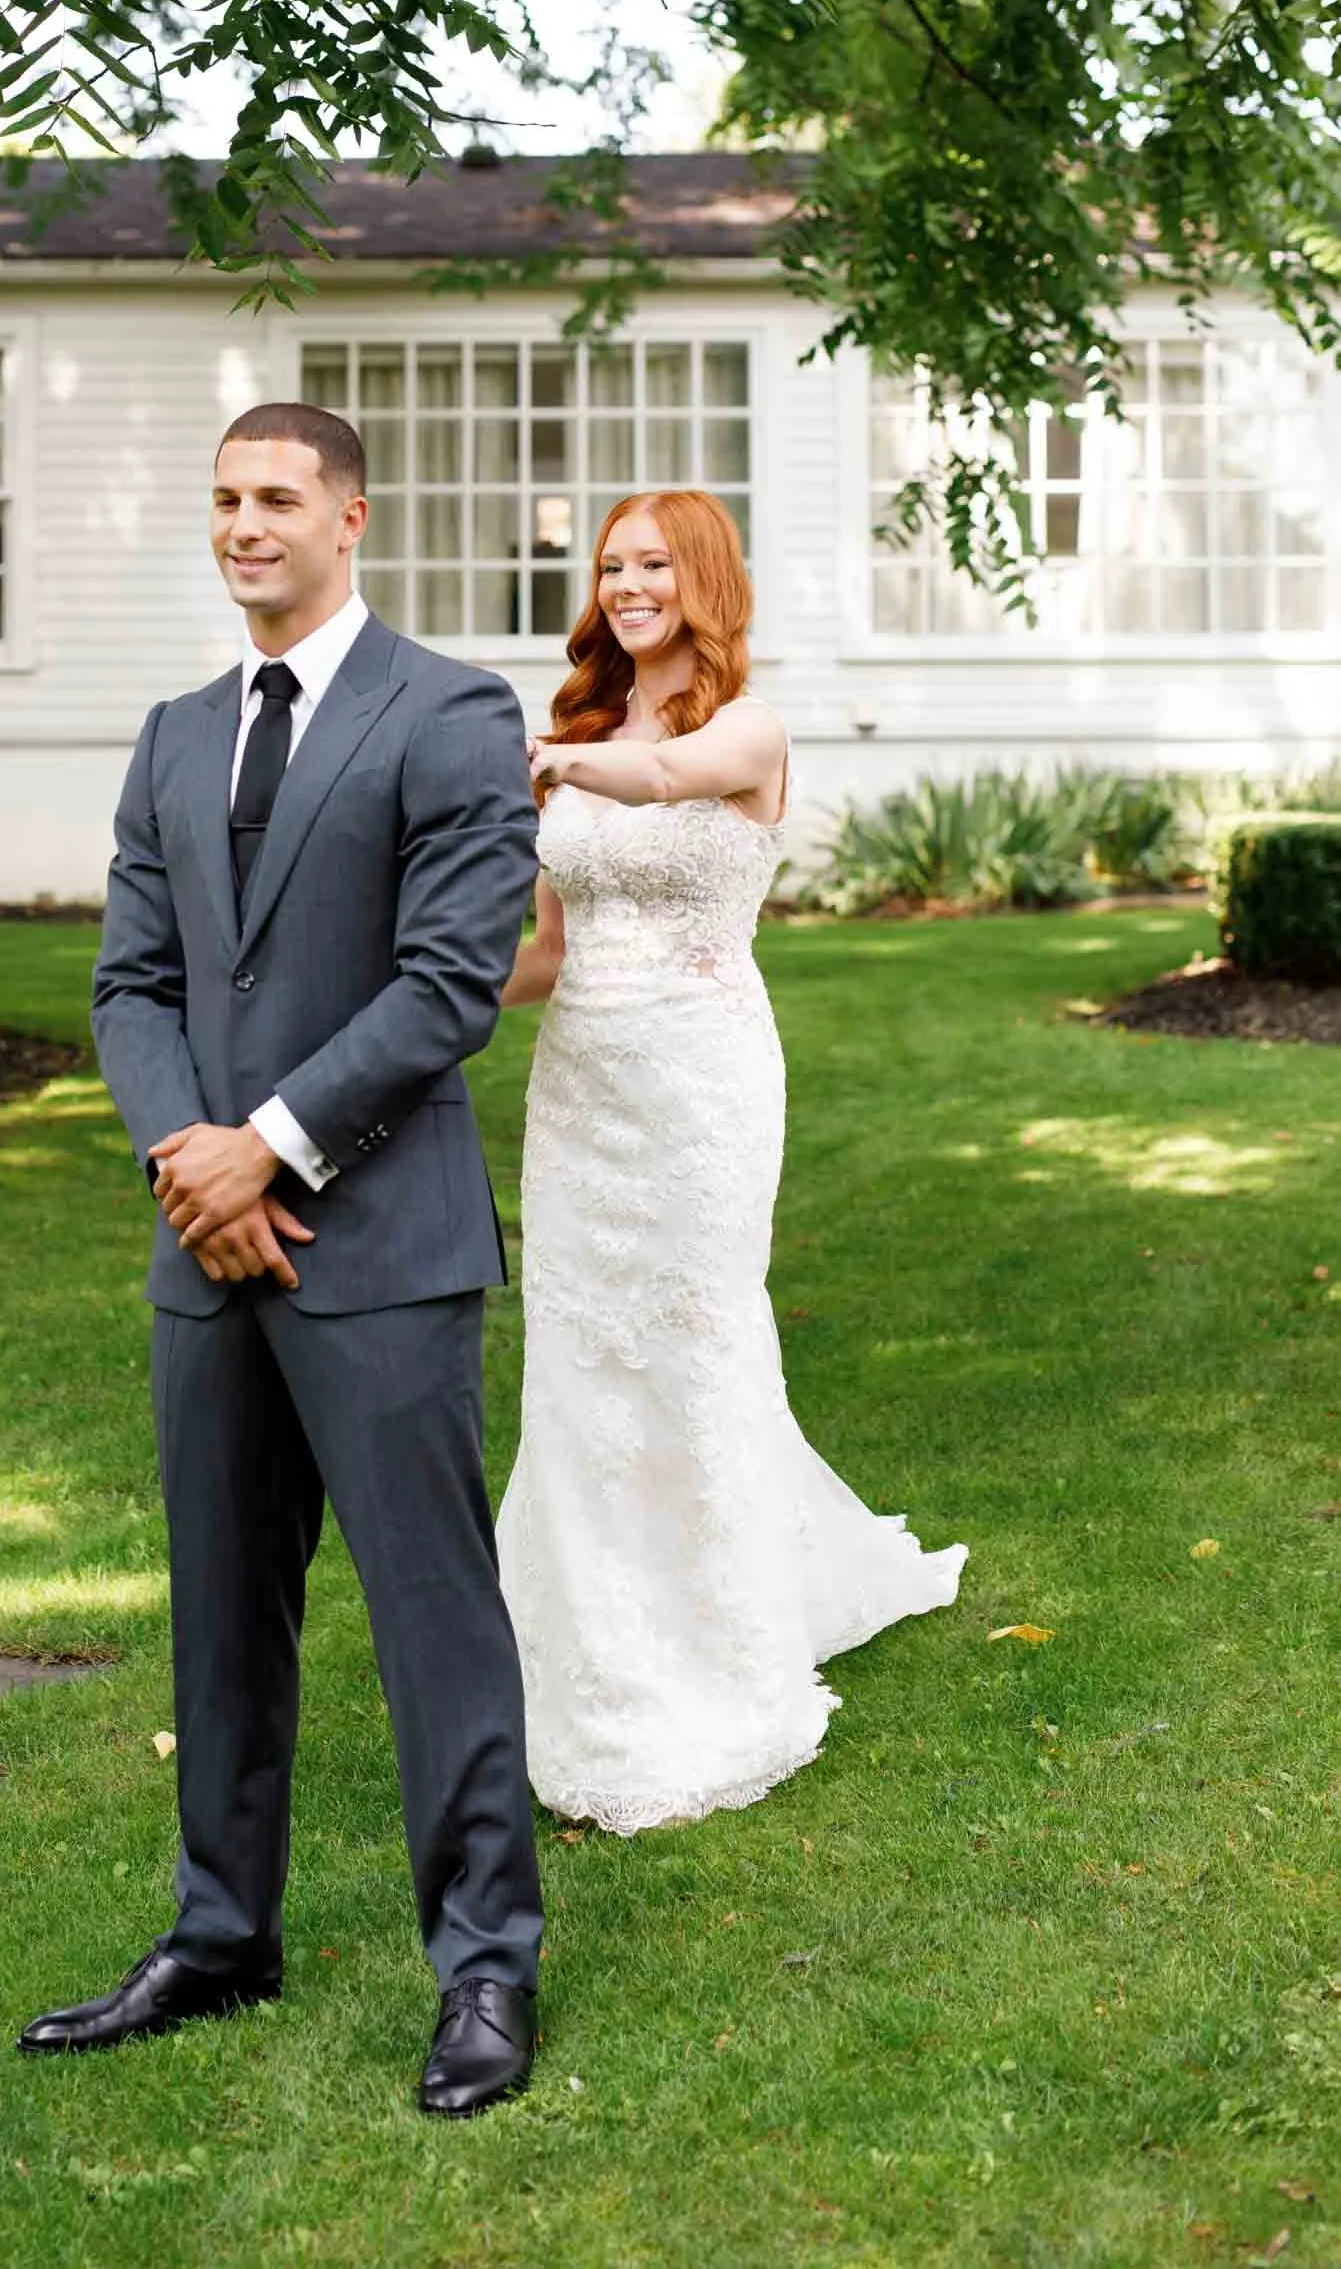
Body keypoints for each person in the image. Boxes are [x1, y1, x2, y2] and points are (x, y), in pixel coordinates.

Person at [18, 404, 544, 2118]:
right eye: (224, 499)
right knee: (224, 1610)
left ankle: (486, 1965)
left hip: (379, 1244)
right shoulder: (175, 735)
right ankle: (221, 1934)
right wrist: (194, 1160)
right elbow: (132, 984)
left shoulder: (450, 712)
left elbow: (450, 982)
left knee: (432, 1616)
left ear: (350, 517)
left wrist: (277, 1146)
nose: (244, 525)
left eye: (276, 498)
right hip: (207, 1248)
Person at [497, 489, 966, 1834]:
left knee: (694, 1336)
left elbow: (665, 783)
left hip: (701, 1085)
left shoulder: (748, 731)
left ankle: (723, 1629)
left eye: (654, 562)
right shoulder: (583, 734)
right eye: (611, 566)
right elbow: (550, 953)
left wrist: (540, 763)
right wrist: (428, 1000)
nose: (628, 585)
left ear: (703, 577)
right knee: (586, 1349)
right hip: (581, 1089)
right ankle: (588, 1620)